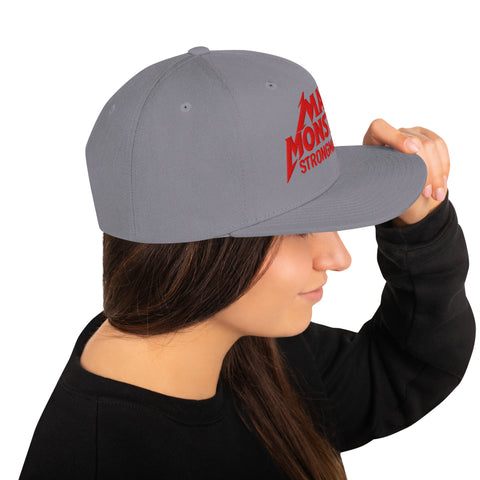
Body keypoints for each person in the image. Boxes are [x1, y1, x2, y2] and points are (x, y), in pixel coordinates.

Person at [19, 46, 475, 480]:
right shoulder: (99, 461)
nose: (338, 257)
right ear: (202, 250)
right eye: (300, 229)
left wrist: (420, 223)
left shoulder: (247, 347)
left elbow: (405, 368)